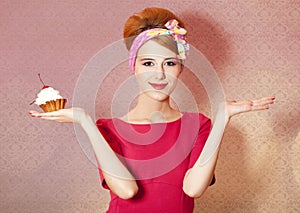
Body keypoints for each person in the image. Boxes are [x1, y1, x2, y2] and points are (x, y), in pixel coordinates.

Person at [29, 7, 275, 213]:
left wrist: (222, 117)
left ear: (181, 69)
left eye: (169, 63)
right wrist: (84, 121)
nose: (159, 74)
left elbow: (193, 189)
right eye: (148, 63)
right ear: (133, 67)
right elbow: (127, 190)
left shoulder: (198, 125)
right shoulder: (107, 128)